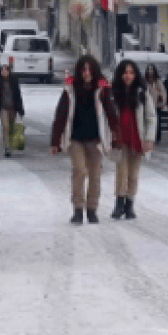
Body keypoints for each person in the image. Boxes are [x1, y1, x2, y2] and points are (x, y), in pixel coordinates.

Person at [51, 56, 117, 224]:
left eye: (89, 69)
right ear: (79, 71)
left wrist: (117, 136)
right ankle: (78, 209)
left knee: (95, 175)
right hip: (76, 138)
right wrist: (55, 141)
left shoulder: (102, 89)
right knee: (79, 171)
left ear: (94, 71)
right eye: (83, 69)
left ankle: (92, 208)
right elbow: (61, 114)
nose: (86, 73)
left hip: (96, 138)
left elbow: (111, 113)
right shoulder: (70, 89)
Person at [110, 60, 157, 220]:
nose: (128, 76)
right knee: (121, 172)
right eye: (125, 72)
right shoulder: (114, 93)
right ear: (120, 74)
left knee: (133, 174)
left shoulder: (142, 93)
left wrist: (149, 139)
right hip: (120, 138)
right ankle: (119, 204)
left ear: (135, 75)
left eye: (131, 72)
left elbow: (151, 117)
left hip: (137, 139)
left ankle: (129, 205)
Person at [0, 63, 24, 158]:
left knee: (11, 127)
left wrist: (21, 110)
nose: (4, 71)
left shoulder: (14, 81)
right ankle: (7, 147)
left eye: (6, 70)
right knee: (5, 127)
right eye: (2, 70)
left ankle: (10, 145)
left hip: (13, 108)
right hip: (2, 108)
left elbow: (18, 96)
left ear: (8, 71)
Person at [144, 64, 166, 144]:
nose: (150, 71)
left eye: (151, 69)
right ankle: (149, 137)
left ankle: (157, 137)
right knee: (148, 121)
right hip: (147, 104)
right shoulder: (144, 81)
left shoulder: (158, 81)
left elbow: (163, 92)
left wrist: (162, 100)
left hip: (157, 104)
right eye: (149, 69)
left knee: (157, 121)